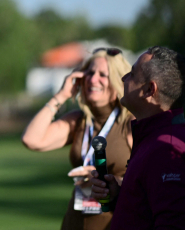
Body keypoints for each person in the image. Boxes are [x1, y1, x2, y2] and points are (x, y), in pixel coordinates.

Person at [21, 48, 134, 230]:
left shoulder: (131, 123)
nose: (93, 79)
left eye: (103, 75)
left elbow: (147, 181)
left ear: (117, 81)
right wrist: (62, 95)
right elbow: (31, 139)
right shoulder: (78, 121)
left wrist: (109, 180)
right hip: (74, 222)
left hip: (113, 223)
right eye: (89, 73)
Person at [90, 46, 185, 230]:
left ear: (150, 90)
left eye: (132, 74)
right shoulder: (153, 137)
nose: (123, 78)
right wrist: (121, 193)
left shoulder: (166, 148)